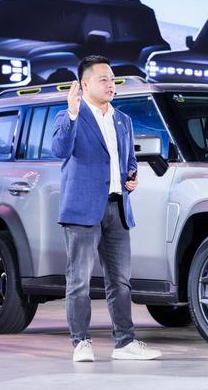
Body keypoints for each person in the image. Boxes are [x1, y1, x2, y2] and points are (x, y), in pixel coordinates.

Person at [52, 55, 162, 362]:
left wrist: (132, 176)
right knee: (79, 281)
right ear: (84, 84)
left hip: (117, 208)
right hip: (82, 210)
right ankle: (81, 342)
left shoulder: (123, 120)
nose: (110, 84)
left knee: (120, 282)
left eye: (112, 79)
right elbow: (60, 150)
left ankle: (125, 342)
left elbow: (129, 160)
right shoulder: (69, 116)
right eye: (103, 79)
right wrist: (72, 113)